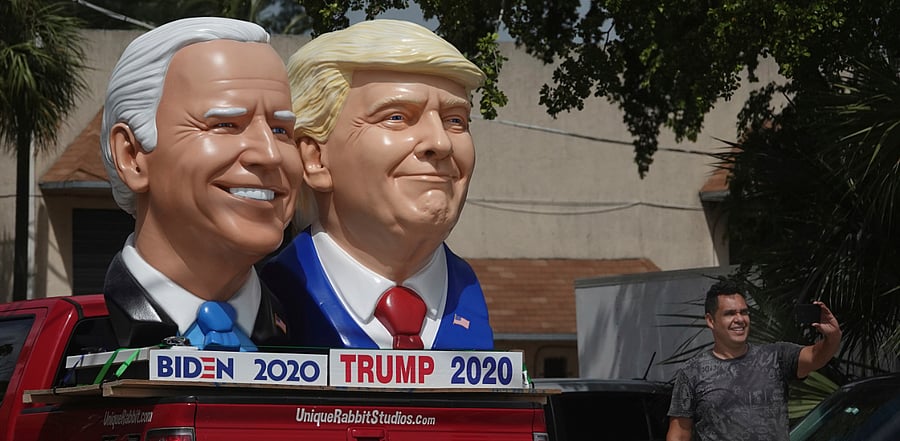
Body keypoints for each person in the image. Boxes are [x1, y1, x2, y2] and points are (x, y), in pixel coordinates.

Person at [261, 19, 493, 350]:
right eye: (396, 117)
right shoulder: (271, 301)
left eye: (455, 121)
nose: (441, 143)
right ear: (315, 158)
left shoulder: (467, 296)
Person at [100, 17, 302, 351]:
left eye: (281, 131)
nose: (270, 155)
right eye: (225, 124)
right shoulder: (71, 338)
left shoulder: (309, 331)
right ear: (132, 155)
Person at [666, 281, 842, 441]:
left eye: (744, 312)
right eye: (730, 314)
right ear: (711, 320)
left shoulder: (776, 357)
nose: (740, 319)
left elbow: (815, 356)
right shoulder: (692, 373)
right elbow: (679, 434)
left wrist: (833, 336)